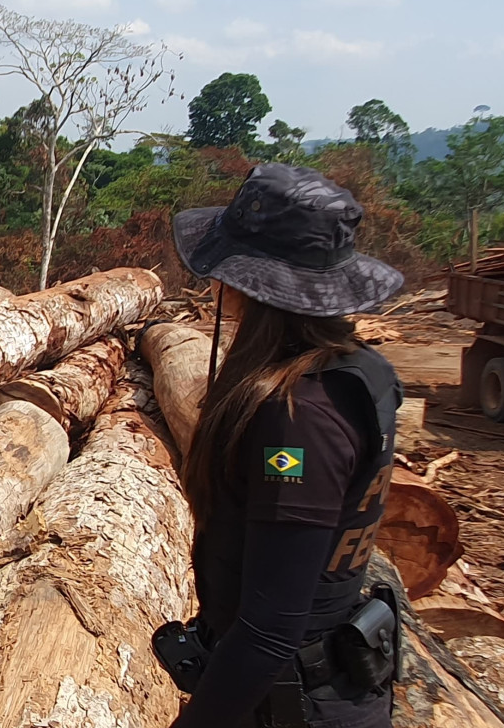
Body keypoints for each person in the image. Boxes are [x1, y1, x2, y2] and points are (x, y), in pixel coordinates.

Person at [163, 163, 406, 728]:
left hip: (294, 706)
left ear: (253, 283)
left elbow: (270, 630)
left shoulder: (297, 418)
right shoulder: (360, 372)